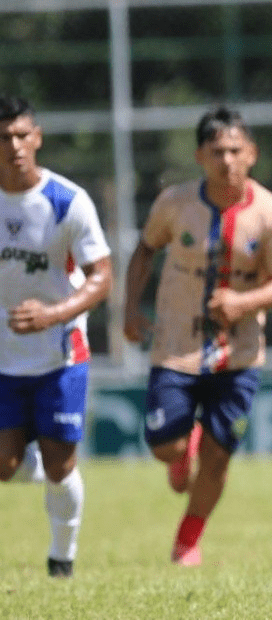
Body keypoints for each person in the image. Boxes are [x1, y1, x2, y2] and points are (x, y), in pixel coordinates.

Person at [124, 106, 272, 566]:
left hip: (239, 355)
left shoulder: (271, 212)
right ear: (200, 156)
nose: (227, 161)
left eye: (236, 151)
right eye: (217, 151)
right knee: (166, 448)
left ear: (252, 154)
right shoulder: (175, 203)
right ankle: (182, 450)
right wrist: (130, 310)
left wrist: (243, 303)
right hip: (176, 348)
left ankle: (188, 540)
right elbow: (144, 251)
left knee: (219, 456)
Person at [0, 95, 112, 578]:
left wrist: (53, 314)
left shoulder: (67, 201)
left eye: (22, 135)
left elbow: (101, 276)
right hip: (4, 356)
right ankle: (28, 455)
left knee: (61, 466)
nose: (14, 146)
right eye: (4, 137)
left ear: (38, 138)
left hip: (60, 352)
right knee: (4, 466)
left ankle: (62, 557)